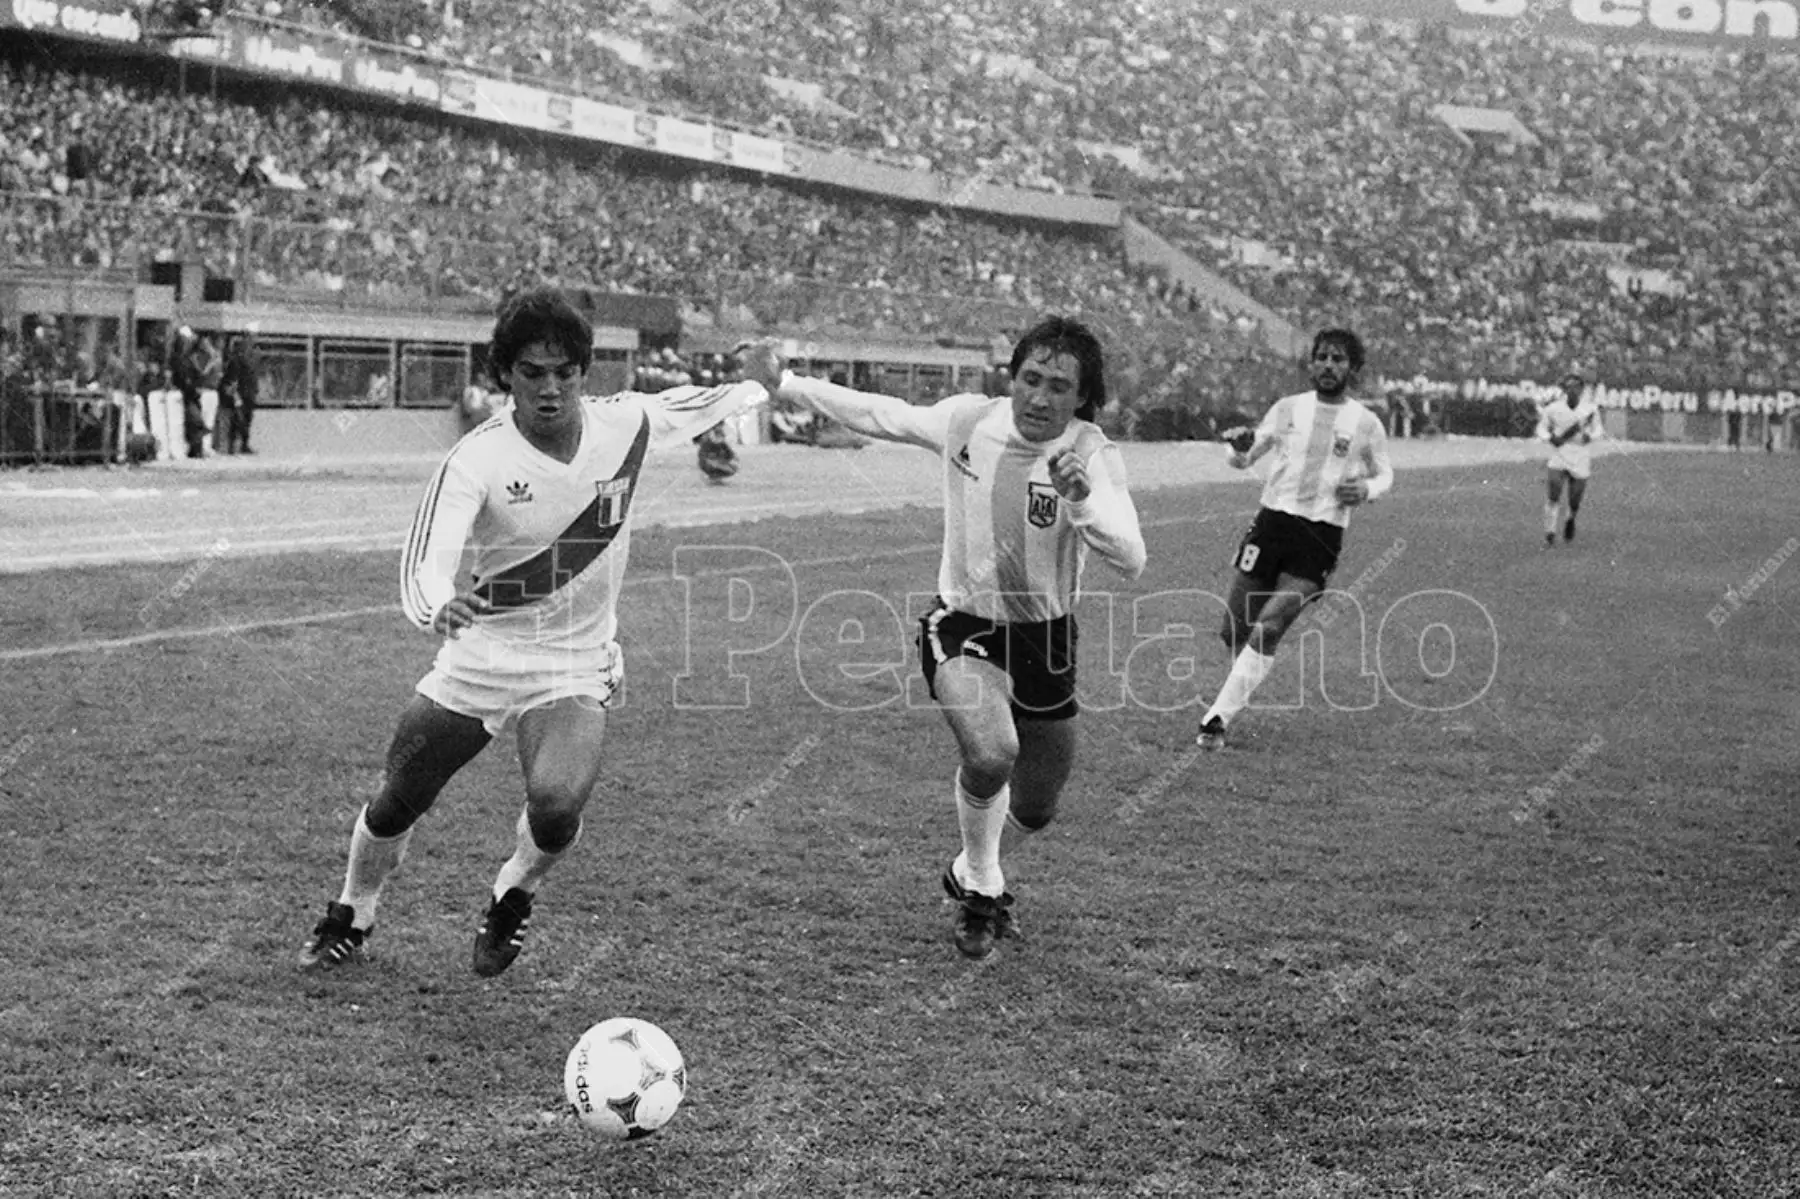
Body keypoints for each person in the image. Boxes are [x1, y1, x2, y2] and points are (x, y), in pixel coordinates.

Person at [297, 287, 780, 977]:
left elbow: (717, 400)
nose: (550, 389)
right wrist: (438, 602)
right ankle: (353, 907)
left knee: (556, 806)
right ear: (506, 377)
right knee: (399, 794)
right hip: (482, 657)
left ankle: (514, 890)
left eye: (565, 372)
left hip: (575, 662)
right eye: (532, 373)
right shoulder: (477, 458)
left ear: (586, 373)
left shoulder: (631, 422)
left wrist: (759, 380)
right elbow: (427, 556)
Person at [775, 316, 1146, 960]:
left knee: (1037, 807)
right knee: (993, 751)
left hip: (1048, 639)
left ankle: (971, 868)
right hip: (964, 625)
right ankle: (982, 892)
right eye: (1030, 379)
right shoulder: (967, 422)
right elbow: (879, 413)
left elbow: (1132, 557)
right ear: (1012, 378)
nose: (1039, 397)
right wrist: (783, 382)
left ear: (1083, 398)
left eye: (1059, 386)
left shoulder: (1090, 453)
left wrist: (1082, 502)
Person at [1196, 328, 1393, 751]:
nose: (1327, 365)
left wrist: (1368, 491)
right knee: (1234, 629)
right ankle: (1235, 692)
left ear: (1353, 369)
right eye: (1321, 357)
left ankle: (1216, 720)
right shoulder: (1287, 409)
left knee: (1270, 626)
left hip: (1320, 536)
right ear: (1311, 363)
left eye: (1338, 359)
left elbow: (1385, 473)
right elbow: (1244, 459)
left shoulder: (1366, 423)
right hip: (1272, 525)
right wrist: (1237, 449)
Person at [1536, 369, 1601, 547]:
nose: (1572, 391)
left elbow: (1598, 430)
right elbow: (1541, 428)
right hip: (1560, 453)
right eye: (1569, 387)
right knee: (1554, 489)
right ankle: (1549, 532)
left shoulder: (1590, 409)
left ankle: (1571, 518)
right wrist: (1550, 438)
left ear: (1581, 390)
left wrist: (1591, 437)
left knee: (1574, 498)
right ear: (1565, 390)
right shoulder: (1553, 409)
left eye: (1576, 387)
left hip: (1580, 454)